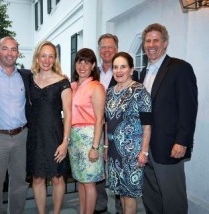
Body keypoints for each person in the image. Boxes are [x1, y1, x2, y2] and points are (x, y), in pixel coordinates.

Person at [133, 23, 198, 214]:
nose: (151, 44)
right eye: (147, 41)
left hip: (170, 146)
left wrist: (182, 142)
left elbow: (189, 108)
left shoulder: (180, 68)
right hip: (146, 146)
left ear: (165, 43)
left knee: (173, 197)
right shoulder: (143, 73)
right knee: (151, 193)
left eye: (156, 40)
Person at [0, 37, 31, 214]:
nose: (9, 53)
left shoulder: (26, 76)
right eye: (5, 49)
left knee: (19, 183)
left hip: (21, 137)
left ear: (18, 53)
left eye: (13, 49)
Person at [26, 41, 72, 214]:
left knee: (58, 178)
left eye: (50, 56)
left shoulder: (63, 82)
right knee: (37, 179)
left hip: (55, 136)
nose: (46, 60)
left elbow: (68, 114)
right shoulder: (29, 79)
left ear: (55, 59)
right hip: (35, 137)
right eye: (43, 55)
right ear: (37, 57)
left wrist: (65, 142)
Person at [105, 52, 152, 213]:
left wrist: (144, 151)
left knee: (130, 195)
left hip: (132, 152)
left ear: (131, 69)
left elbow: (147, 125)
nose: (118, 71)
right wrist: (105, 147)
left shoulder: (140, 91)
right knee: (121, 194)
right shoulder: (110, 92)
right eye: (115, 67)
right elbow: (107, 122)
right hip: (113, 152)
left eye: (123, 67)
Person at [68, 48, 105, 214]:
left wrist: (95, 147)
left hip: (90, 138)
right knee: (80, 181)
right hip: (74, 139)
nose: (82, 65)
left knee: (89, 183)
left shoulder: (96, 87)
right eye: (79, 61)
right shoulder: (72, 86)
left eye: (87, 62)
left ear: (93, 65)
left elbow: (100, 119)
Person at [96, 33, 120, 214]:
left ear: (116, 49)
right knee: (97, 166)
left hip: (118, 129)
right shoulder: (92, 72)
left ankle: (121, 207)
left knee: (119, 166)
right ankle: (100, 204)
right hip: (97, 128)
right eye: (103, 47)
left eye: (110, 47)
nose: (106, 50)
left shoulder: (123, 71)